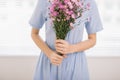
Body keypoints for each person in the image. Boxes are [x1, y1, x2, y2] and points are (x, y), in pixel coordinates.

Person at [28, 0, 103, 80]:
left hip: (75, 65)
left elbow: (92, 40)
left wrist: (71, 48)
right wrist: (49, 53)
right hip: (49, 62)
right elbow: (34, 34)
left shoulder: (88, 3)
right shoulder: (45, 1)